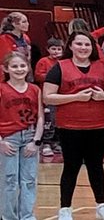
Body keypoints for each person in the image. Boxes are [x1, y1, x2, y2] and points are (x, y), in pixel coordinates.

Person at [44, 32, 104, 220]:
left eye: (87, 44)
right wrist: (76, 97)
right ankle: (65, 208)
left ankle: (102, 204)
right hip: (70, 126)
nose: (83, 47)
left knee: (96, 166)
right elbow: (48, 96)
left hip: (98, 125)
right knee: (71, 166)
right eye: (79, 44)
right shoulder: (59, 67)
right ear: (71, 46)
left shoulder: (102, 66)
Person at [0, 54, 44, 220]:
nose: (19, 69)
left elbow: (40, 116)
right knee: (9, 180)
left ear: (28, 67)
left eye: (22, 66)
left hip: (29, 137)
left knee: (29, 180)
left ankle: (27, 216)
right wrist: (1, 141)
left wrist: (36, 141)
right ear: (6, 69)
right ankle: (8, 216)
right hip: (8, 138)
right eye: (14, 66)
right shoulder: (2, 89)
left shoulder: (35, 89)